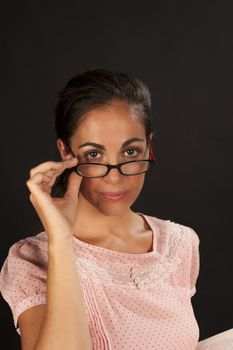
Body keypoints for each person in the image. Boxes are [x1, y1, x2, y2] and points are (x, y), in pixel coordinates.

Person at [0, 68, 200, 350]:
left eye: (130, 151)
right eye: (94, 154)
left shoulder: (180, 244)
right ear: (66, 153)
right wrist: (61, 240)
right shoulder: (31, 260)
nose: (115, 177)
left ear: (148, 147)